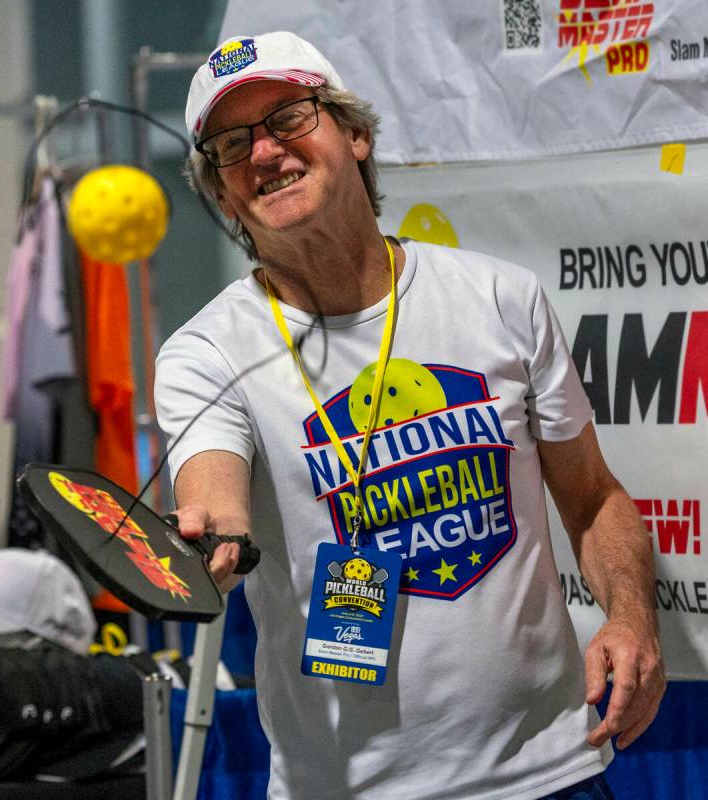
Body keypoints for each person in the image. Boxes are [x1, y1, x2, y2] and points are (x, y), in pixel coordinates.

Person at [155, 31, 665, 800]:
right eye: (232, 145)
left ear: (355, 134)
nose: (263, 153)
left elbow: (592, 497)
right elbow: (214, 497)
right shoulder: (206, 353)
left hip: (550, 772)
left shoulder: (500, 298)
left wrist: (632, 617)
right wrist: (213, 537)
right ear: (223, 193)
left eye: (289, 119)